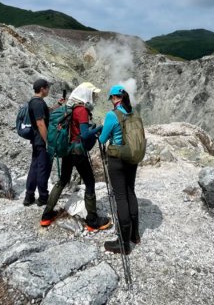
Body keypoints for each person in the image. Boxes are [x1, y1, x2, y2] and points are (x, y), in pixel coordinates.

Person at [40, 82, 112, 231]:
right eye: (92, 94)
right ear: (86, 94)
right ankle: (92, 220)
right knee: (90, 182)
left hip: (67, 150)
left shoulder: (69, 107)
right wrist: (99, 128)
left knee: (62, 180)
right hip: (78, 152)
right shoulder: (82, 110)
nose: (94, 97)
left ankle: (46, 216)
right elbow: (85, 134)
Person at [98, 85, 140, 254]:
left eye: (112, 98)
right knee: (131, 192)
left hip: (117, 160)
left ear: (116, 98)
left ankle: (123, 243)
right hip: (132, 158)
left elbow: (102, 138)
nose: (112, 101)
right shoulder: (134, 113)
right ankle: (134, 235)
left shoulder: (112, 115)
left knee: (121, 197)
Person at [24, 78, 61, 206]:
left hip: (36, 140)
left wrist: (58, 105)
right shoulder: (38, 103)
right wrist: (48, 141)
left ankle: (29, 196)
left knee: (34, 167)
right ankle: (43, 197)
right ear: (42, 89)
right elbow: (40, 123)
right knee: (42, 169)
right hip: (41, 140)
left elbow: (46, 113)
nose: (48, 90)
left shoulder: (35, 102)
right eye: (47, 88)